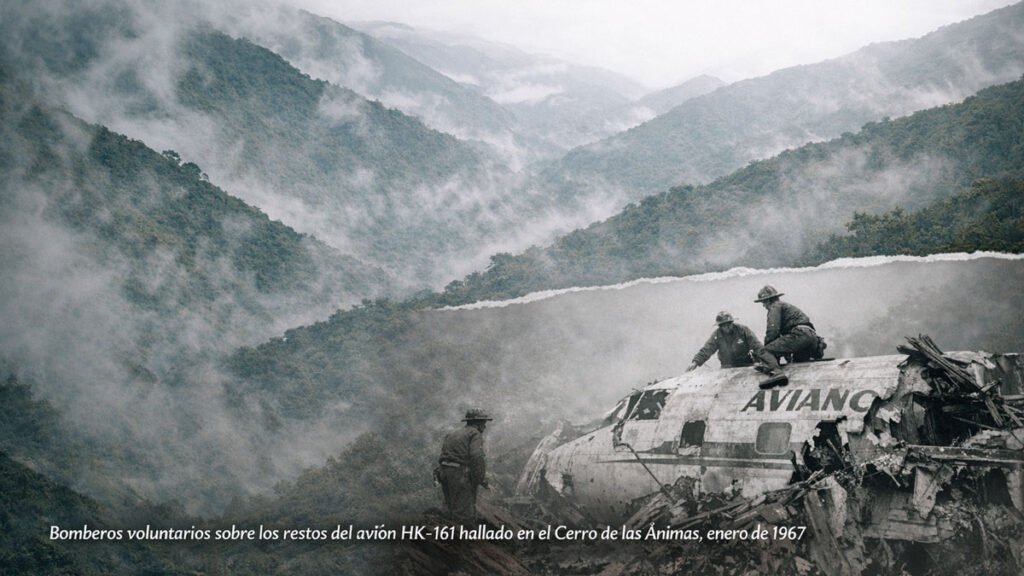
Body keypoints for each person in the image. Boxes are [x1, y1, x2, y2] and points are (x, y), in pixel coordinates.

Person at [752, 286, 823, 388]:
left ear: (768, 300)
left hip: (799, 334)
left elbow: (773, 331)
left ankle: (777, 373)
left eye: (763, 302)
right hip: (811, 337)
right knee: (799, 364)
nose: (763, 305)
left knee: (764, 351)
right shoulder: (786, 306)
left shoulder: (774, 306)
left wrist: (767, 356)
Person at [437, 408, 492, 522]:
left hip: (444, 472)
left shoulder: (453, 433)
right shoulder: (474, 434)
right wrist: (480, 479)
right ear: (478, 423)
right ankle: (463, 538)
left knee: (449, 510)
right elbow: (477, 458)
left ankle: (446, 537)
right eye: (484, 423)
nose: (485, 426)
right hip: (459, 474)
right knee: (464, 514)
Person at [687, 311, 762, 370]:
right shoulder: (717, 335)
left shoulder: (743, 330)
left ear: (732, 323)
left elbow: (756, 345)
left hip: (746, 364)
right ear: (720, 326)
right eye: (724, 325)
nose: (727, 327)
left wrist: (765, 359)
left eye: (729, 324)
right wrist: (695, 362)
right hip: (727, 367)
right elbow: (707, 349)